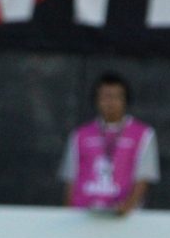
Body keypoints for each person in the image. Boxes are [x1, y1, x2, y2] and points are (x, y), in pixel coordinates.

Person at [59, 71, 159, 215]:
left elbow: (144, 177)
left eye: (116, 97)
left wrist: (128, 207)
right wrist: (69, 214)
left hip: (124, 218)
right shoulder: (80, 135)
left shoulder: (143, 134)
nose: (110, 102)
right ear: (96, 100)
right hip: (83, 216)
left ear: (125, 100)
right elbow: (70, 179)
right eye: (105, 97)